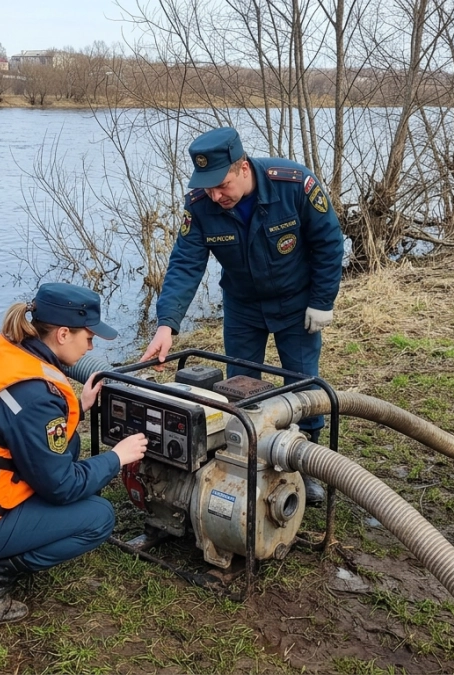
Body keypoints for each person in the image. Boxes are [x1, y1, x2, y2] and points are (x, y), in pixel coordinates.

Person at [0, 283, 149, 625]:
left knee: (70, 451)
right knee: (99, 517)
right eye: (89, 338)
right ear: (63, 334)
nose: (91, 346)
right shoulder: (33, 395)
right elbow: (61, 486)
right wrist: (117, 457)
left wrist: (78, 406)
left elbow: (16, 424)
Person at [141, 127, 345, 505]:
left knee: (304, 384)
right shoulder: (201, 204)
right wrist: (167, 323)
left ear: (242, 167)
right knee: (239, 388)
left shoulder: (294, 185)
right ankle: (246, 462)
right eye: (208, 187)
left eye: (222, 185)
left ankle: (308, 465)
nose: (216, 196)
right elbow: (185, 263)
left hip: (296, 304)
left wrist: (322, 300)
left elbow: (329, 241)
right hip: (243, 306)